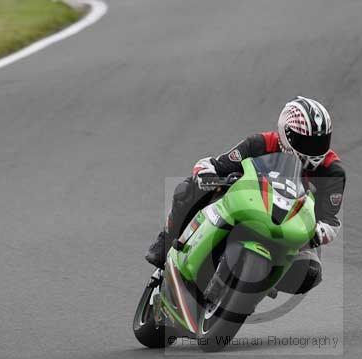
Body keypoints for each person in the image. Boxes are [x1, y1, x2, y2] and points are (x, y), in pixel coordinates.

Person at [145, 96, 345, 294]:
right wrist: (206, 173)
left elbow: (330, 220)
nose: (315, 150)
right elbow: (218, 165)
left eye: (321, 142)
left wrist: (320, 231)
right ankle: (166, 241)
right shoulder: (261, 144)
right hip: (246, 207)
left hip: (288, 231)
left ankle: (262, 283)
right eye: (307, 143)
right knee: (187, 188)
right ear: (287, 134)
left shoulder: (332, 172)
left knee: (311, 272)